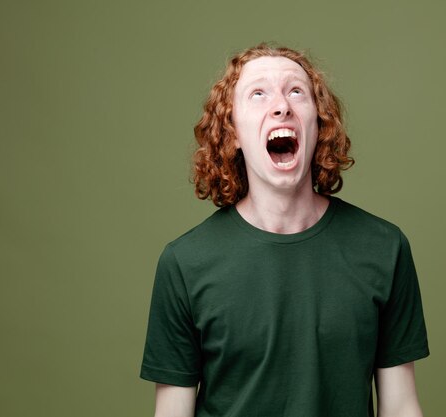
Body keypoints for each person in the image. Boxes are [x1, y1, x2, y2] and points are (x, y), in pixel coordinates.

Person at [140, 43, 429, 417]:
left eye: (296, 91)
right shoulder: (184, 262)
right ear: (233, 134)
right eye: (258, 94)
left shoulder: (384, 248)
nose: (281, 106)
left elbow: (401, 406)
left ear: (318, 124)